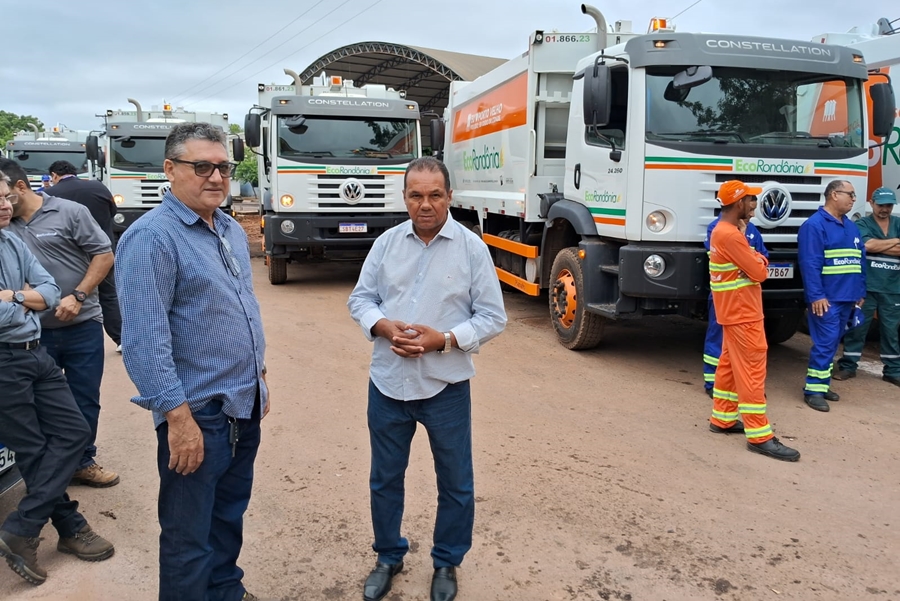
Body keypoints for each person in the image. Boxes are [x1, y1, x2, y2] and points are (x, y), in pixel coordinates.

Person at [116, 122, 271, 601]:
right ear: (170, 169)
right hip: (197, 415)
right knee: (187, 537)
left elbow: (240, 308)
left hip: (241, 405)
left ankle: (226, 590)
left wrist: (258, 376)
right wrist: (177, 419)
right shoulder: (152, 238)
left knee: (227, 518)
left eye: (223, 167)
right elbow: (144, 341)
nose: (216, 177)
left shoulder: (226, 228)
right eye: (201, 166)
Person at [348, 156, 507, 601]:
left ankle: (446, 562)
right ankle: (388, 556)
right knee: (385, 478)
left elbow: (493, 317)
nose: (425, 205)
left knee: (456, 482)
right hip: (388, 384)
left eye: (435, 195)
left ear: (450, 197)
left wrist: (446, 340)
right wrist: (382, 326)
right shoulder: (385, 244)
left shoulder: (471, 248)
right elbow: (361, 300)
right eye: (415, 195)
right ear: (404, 197)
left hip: (446, 387)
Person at [0, 170, 114, 587]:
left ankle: (24, 524)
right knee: (32, 449)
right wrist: (27, 302)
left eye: (5, 197)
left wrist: (15, 297)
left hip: (37, 350)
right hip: (7, 359)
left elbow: (47, 290)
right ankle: (67, 527)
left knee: (73, 432)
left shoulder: (11, 239)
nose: (5, 206)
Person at [708, 180, 799, 461]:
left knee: (727, 363)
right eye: (750, 200)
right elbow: (760, 272)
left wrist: (754, 258)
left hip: (732, 312)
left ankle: (722, 417)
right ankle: (759, 436)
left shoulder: (724, 231)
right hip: (743, 313)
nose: (754, 205)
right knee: (752, 370)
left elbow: (753, 265)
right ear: (738, 204)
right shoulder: (732, 236)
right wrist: (757, 258)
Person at [798, 180, 866, 411]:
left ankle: (822, 383)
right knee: (825, 343)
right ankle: (813, 389)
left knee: (833, 342)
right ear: (834, 195)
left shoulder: (850, 226)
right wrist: (816, 296)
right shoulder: (815, 225)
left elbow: (859, 261)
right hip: (826, 299)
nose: (854, 199)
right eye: (851, 194)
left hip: (847, 297)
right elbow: (810, 264)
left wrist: (860, 292)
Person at [48, 160, 122, 352]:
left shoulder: (50, 194)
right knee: (108, 295)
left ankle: (70, 340)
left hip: (70, 256)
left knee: (72, 294)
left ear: (55, 176)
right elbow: (113, 212)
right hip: (103, 252)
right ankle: (120, 338)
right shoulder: (98, 187)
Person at [834, 187, 900, 387]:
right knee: (858, 326)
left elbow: (872, 244)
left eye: (889, 205)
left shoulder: (897, 223)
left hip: (892, 287)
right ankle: (848, 366)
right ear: (872, 203)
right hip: (867, 286)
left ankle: (893, 371)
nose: (885, 209)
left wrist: (879, 244)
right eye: (881, 205)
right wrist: (896, 242)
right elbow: (865, 246)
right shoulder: (862, 223)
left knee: (891, 331)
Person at [702, 214, 768, 397]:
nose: (752, 214)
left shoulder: (751, 229)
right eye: (750, 208)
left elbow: (763, 257)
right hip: (724, 298)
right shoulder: (718, 229)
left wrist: (752, 263)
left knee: (736, 349)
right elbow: (726, 260)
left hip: (744, 302)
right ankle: (711, 381)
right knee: (718, 338)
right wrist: (751, 264)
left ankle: (733, 388)